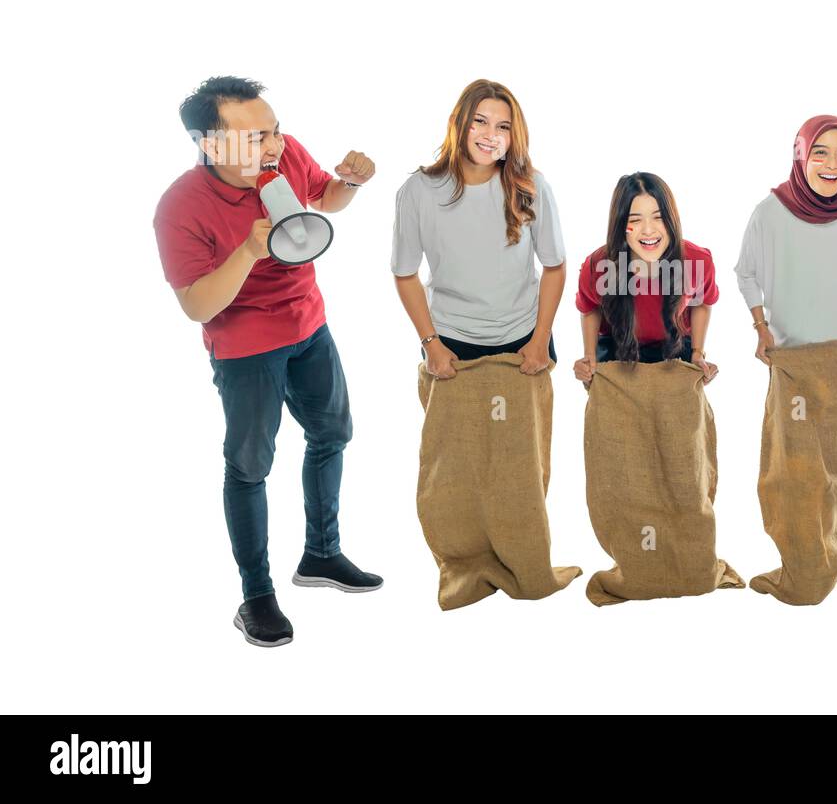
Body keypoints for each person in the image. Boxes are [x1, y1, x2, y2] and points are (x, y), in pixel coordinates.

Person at [153, 76, 383, 649]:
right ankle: (256, 594)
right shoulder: (180, 206)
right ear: (211, 146)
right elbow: (196, 305)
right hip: (246, 349)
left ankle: (321, 556)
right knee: (250, 465)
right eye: (256, 137)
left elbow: (325, 198)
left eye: (275, 129)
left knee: (333, 433)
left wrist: (349, 183)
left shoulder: (283, 153)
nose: (275, 145)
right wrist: (249, 251)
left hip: (309, 325)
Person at [392, 79, 564, 372]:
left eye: (503, 127)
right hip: (450, 341)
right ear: (457, 123)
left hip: (524, 339)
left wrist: (540, 339)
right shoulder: (418, 191)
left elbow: (555, 266)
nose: (490, 135)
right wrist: (431, 343)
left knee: (525, 420)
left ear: (513, 136)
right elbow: (405, 274)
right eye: (480, 121)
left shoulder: (532, 186)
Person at [735, 114, 837, 356]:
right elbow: (746, 272)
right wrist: (761, 328)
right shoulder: (769, 212)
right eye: (820, 152)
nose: (833, 164)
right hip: (791, 354)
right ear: (801, 156)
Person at [572, 172, 720, 383]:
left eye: (658, 218)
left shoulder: (697, 260)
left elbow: (703, 302)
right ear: (621, 226)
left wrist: (698, 352)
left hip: (675, 347)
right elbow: (589, 308)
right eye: (635, 221)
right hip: (619, 348)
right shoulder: (598, 266)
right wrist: (589, 357)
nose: (648, 230)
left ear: (672, 220)